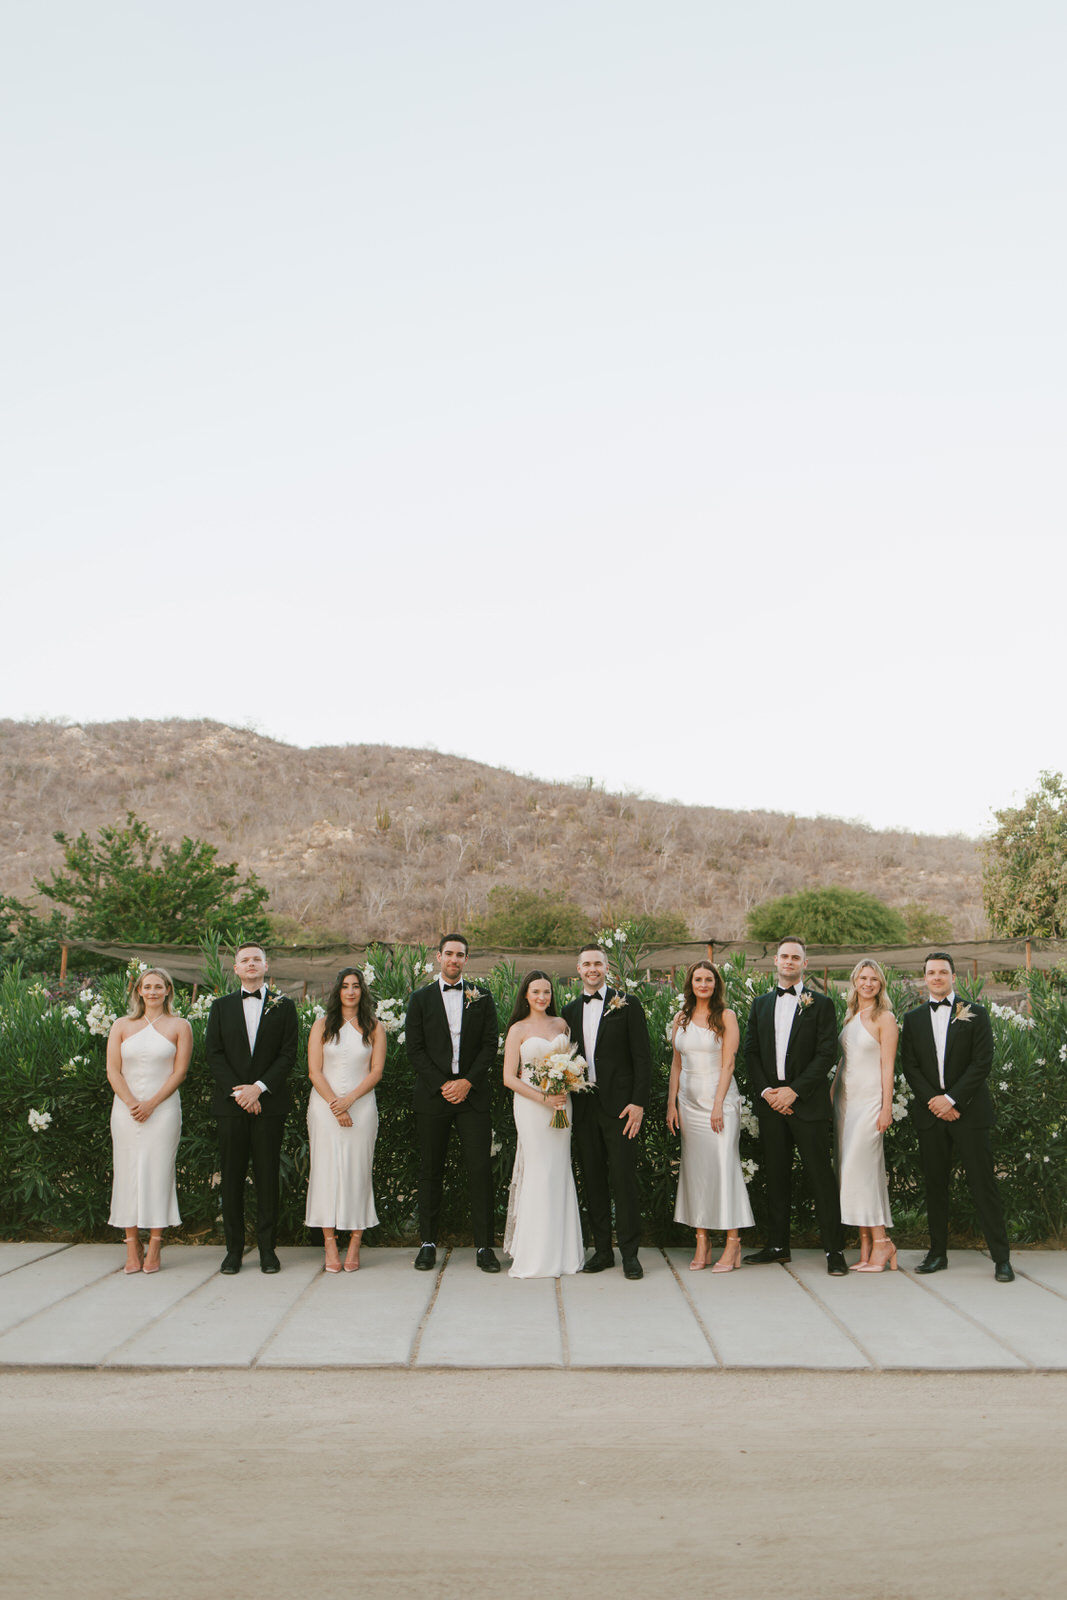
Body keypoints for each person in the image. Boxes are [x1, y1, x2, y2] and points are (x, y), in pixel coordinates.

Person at [900, 951, 1013, 1282]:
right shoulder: (913, 1018)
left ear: (953, 976)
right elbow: (910, 1065)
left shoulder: (975, 1013)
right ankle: (937, 1254)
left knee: (984, 1185)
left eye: (942, 972)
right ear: (925, 977)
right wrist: (934, 1101)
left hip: (970, 1113)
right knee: (935, 1186)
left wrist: (951, 1099)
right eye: (931, 972)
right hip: (930, 1114)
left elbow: (983, 1061)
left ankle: (1001, 1259)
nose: (937, 977)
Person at [742, 936, 847, 1275]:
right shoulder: (759, 1004)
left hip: (808, 1105)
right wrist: (769, 1093)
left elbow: (826, 1053)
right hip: (771, 1106)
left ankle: (834, 1250)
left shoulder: (822, 1004)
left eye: (795, 957)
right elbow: (752, 1052)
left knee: (820, 1177)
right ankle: (777, 1245)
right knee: (775, 1176)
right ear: (775, 961)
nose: (789, 961)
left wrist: (794, 1092)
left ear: (805, 963)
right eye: (784, 956)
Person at [404, 933, 501, 1273]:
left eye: (460, 955)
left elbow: (490, 1045)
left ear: (466, 960)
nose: (454, 959)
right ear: (438, 957)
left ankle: (484, 1246)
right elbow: (414, 1048)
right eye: (449, 954)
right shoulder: (420, 999)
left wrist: (467, 1082)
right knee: (430, 1171)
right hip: (434, 1097)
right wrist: (444, 1084)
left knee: (479, 1172)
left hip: (472, 1098)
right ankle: (427, 1243)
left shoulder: (482, 998)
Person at [204, 943, 297, 1275]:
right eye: (245, 960)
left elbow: (288, 1055)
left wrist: (258, 1089)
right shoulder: (220, 1007)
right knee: (231, 1177)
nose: (251, 964)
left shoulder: (284, 1007)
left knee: (268, 1177)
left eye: (256, 959)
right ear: (236, 968)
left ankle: (268, 1249)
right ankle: (233, 1249)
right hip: (231, 1106)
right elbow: (214, 1053)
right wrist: (240, 1093)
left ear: (266, 965)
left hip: (269, 1105)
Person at [562, 944, 652, 1280]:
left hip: (621, 1108)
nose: (592, 969)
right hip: (584, 1107)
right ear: (578, 968)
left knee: (624, 1180)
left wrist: (638, 1102)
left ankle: (630, 1253)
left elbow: (642, 1057)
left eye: (597, 963)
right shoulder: (569, 1011)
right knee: (593, 1180)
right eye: (586, 964)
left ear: (606, 967)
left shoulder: (627, 1004)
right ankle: (602, 1251)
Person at [666, 960, 754, 1271]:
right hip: (688, 1103)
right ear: (690, 983)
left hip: (720, 1101)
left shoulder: (726, 1016)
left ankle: (733, 1243)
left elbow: (728, 1064)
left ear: (716, 984)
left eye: (709, 979)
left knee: (724, 1166)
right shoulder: (681, 1018)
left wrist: (718, 1104)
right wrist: (671, 1105)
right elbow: (676, 1064)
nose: (703, 984)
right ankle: (702, 1239)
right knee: (696, 1170)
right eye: (698, 979)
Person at [106, 966, 190, 1274]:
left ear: (168, 990)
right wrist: (131, 1102)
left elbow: (179, 1072)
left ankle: (155, 1243)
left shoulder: (180, 1025)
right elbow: (113, 1070)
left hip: (164, 1110)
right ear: (138, 991)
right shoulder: (121, 1025)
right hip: (125, 1111)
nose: (152, 991)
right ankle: (132, 1246)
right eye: (147, 986)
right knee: (126, 1173)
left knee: (159, 1172)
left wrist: (152, 1103)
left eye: (158, 986)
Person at [501, 970, 584, 1279]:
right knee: (538, 1171)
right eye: (535, 991)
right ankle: (535, 1255)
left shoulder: (561, 1024)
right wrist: (542, 1098)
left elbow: (570, 1063)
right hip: (532, 1107)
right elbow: (508, 1077)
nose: (541, 997)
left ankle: (563, 1253)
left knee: (558, 1170)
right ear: (526, 994)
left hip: (563, 1104)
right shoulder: (517, 1030)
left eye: (546, 992)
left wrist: (566, 1085)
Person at [305, 967, 386, 1273]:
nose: (351, 991)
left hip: (362, 1108)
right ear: (337, 991)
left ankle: (354, 1242)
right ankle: (328, 1243)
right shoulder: (322, 1026)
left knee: (357, 1172)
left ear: (362, 991)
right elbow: (315, 1071)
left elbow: (376, 1071)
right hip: (324, 1108)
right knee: (325, 1172)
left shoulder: (374, 1027)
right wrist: (335, 1106)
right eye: (345, 986)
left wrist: (350, 1101)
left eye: (356, 986)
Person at [834, 960, 898, 1272]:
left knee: (865, 1172)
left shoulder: (885, 1018)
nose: (868, 983)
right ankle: (865, 1245)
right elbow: (845, 1063)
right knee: (850, 1174)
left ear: (881, 984)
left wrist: (887, 1107)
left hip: (871, 1103)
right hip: (846, 1104)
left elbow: (888, 1067)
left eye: (874, 979)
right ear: (854, 981)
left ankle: (883, 1242)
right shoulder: (850, 1017)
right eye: (863, 977)